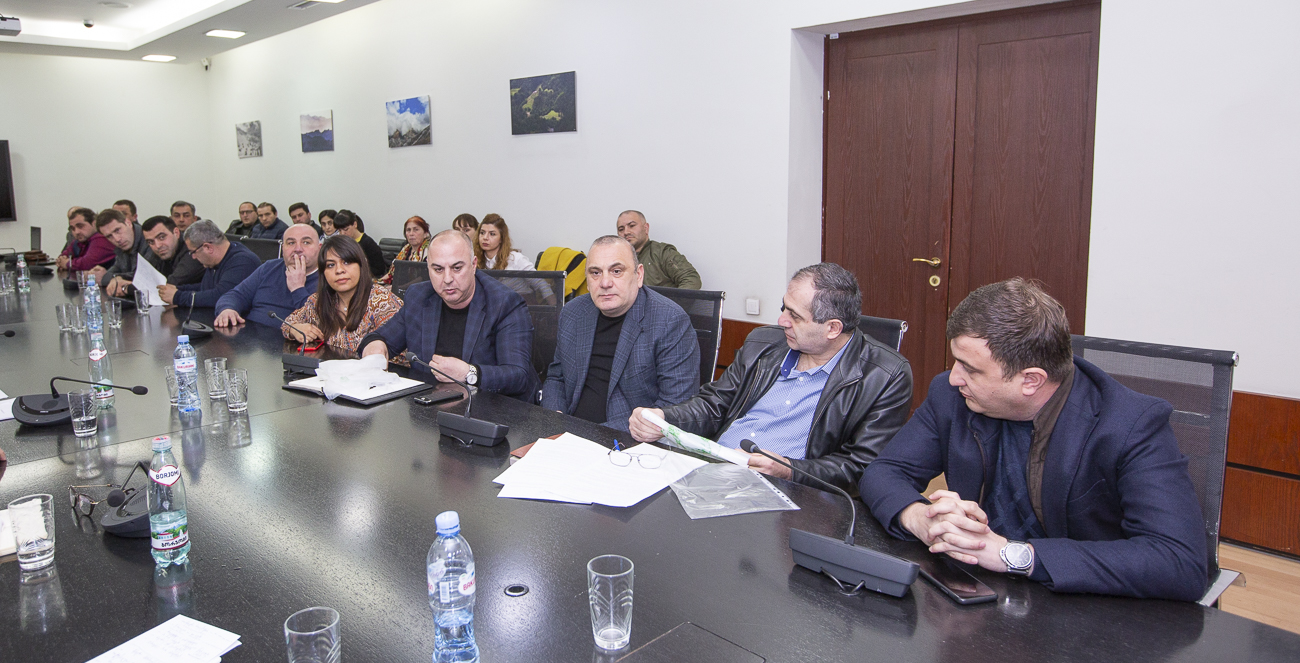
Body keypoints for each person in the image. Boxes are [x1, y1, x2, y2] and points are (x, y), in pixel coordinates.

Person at [858, 278, 1208, 601]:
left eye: (971, 369)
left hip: (1082, 606)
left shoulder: (1131, 425)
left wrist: (1010, 554)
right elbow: (884, 472)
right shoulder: (952, 397)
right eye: (957, 362)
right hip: (978, 596)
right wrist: (921, 518)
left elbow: (1179, 561)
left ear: (1031, 380)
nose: (954, 378)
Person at [629, 263, 912, 493]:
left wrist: (790, 470)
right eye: (783, 308)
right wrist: (665, 419)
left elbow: (860, 467)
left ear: (832, 329)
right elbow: (715, 404)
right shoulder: (762, 343)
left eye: (795, 316)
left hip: (788, 493)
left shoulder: (885, 376)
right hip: (711, 471)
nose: (781, 321)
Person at [360, 230, 536, 401]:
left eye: (457, 268)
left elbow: (517, 376)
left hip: (491, 408)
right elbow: (381, 338)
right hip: (430, 406)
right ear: (428, 268)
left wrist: (469, 373)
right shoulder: (419, 297)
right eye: (438, 269)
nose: (447, 279)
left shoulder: (504, 303)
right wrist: (375, 345)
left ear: (474, 265)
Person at [543, 236, 699, 429]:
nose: (605, 282)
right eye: (595, 273)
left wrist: (594, 433)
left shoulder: (670, 321)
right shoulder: (573, 312)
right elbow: (556, 378)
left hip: (627, 438)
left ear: (638, 275)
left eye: (616, 271)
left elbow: (675, 406)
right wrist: (555, 417)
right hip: (566, 431)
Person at [282, 235, 404, 353]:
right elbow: (288, 323)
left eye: (347, 262)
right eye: (331, 265)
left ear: (361, 265)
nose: (339, 270)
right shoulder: (318, 301)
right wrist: (294, 329)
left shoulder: (383, 302)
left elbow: (399, 357)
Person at [213, 224, 322, 327]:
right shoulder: (269, 267)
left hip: (290, 339)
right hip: (250, 334)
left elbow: (319, 320)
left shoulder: (328, 276)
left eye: (306, 242)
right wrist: (227, 309)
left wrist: (298, 288)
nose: (298, 249)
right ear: (283, 248)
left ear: (320, 248)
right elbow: (236, 295)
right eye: (291, 243)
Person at [161, 220, 260, 308]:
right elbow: (206, 287)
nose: (193, 257)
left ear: (208, 247)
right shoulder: (214, 261)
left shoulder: (243, 261)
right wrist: (178, 289)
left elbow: (221, 296)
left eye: (193, 252)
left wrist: (177, 297)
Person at [616, 210, 701, 289]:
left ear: (646, 228)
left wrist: (669, 301)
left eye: (632, 226)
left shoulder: (662, 253)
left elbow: (692, 279)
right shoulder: (616, 259)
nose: (626, 232)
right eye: (621, 229)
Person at [96, 209, 158, 297]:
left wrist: (118, 277)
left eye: (117, 230)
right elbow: (107, 276)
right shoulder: (123, 246)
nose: (117, 239)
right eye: (109, 236)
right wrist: (116, 278)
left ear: (128, 223)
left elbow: (143, 277)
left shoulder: (149, 240)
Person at [141, 216, 204, 286]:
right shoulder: (158, 253)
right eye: (150, 242)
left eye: (161, 237)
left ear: (176, 233)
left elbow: (172, 283)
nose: (157, 246)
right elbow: (144, 278)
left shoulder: (193, 250)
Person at [331, 209, 388, 278]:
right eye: (339, 230)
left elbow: (379, 269)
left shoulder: (368, 243)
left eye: (346, 229)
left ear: (355, 224)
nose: (342, 233)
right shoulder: (342, 243)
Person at [56, 207, 116, 272]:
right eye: (73, 228)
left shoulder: (102, 238)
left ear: (94, 223)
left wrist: (67, 264)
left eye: (80, 226)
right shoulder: (78, 242)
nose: (76, 232)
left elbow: (87, 264)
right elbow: (63, 257)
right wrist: (61, 261)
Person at [380, 216, 432, 285]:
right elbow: (391, 274)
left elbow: (423, 278)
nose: (411, 234)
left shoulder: (429, 252)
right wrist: (378, 282)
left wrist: (397, 287)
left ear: (425, 234)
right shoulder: (405, 250)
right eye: (408, 230)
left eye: (416, 230)